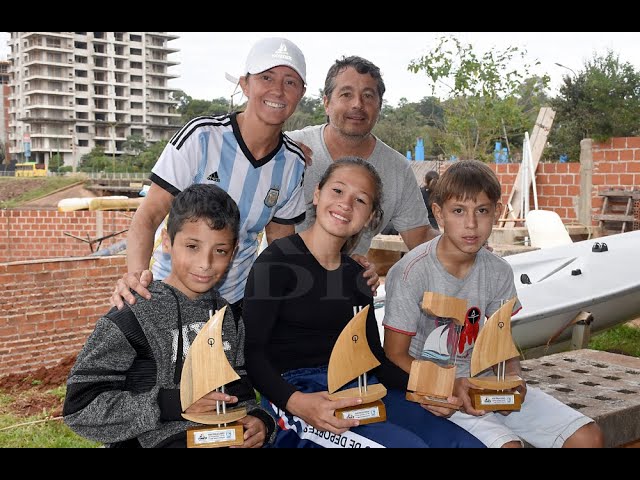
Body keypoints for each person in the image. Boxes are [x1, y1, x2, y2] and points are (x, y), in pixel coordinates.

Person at [243, 157, 484, 448]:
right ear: (317, 194)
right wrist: (298, 404)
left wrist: (439, 388)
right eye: (338, 191)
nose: (346, 204)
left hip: (361, 388)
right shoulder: (277, 262)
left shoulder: (358, 275)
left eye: (361, 200)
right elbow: (253, 353)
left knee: (461, 443)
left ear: (371, 217)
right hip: (298, 396)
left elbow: (376, 360)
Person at [382, 160, 604, 448]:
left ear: (497, 213)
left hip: (485, 382)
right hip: (434, 390)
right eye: (459, 211)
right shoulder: (411, 272)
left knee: (588, 437)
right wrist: (449, 385)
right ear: (438, 214)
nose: (471, 224)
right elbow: (395, 354)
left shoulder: (498, 270)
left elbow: (501, 339)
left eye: (482, 211)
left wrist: (513, 376)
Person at [110, 37, 309, 321]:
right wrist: (135, 279)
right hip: (170, 297)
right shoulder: (202, 136)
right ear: (245, 84)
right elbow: (150, 213)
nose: (277, 89)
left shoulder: (292, 163)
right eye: (267, 77)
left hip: (234, 306)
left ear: (302, 92)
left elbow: (279, 248)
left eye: (290, 82)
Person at [63, 184, 276, 448]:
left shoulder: (229, 318)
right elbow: (80, 409)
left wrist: (259, 422)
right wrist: (170, 403)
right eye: (192, 246)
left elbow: (238, 395)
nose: (205, 263)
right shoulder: (132, 316)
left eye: (219, 251)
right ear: (166, 242)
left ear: (232, 254)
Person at [287, 56, 440, 258]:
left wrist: (460, 246)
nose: (358, 104)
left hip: (343, 284)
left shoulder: (396, 169)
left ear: (379, 106)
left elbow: (419, 236)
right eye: (346, 94)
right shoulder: (289, 148)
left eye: (368, 96)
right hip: (276, 279)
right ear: (326, 103)